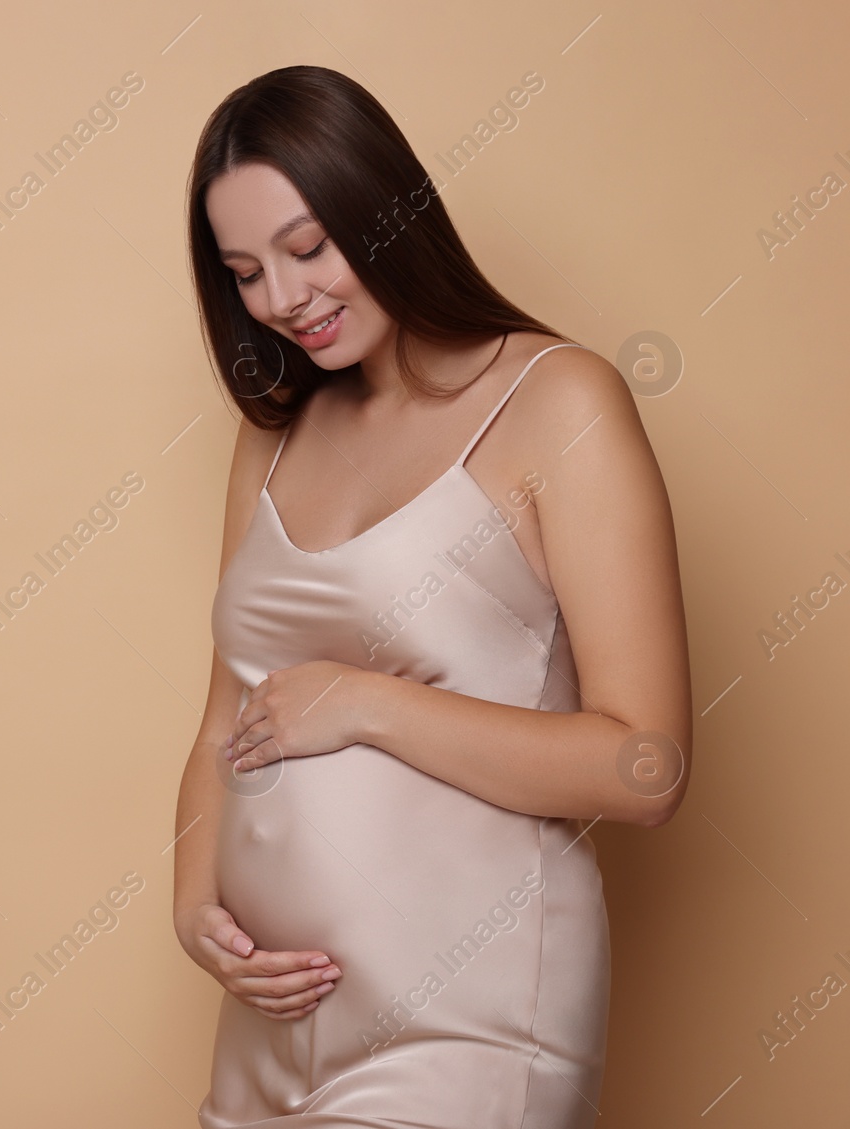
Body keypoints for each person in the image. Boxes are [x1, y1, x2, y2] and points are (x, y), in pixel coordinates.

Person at [170, 65, 692, 1127]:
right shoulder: (272, 432)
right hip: (268, 1029)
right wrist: (195, 909)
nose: (283, 298)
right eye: (244, 273)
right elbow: (225, 720)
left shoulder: (555, 400)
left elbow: (645, 766)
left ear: (384, 208)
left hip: (468, 1014)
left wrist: (369, 701)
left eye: (308, 248)